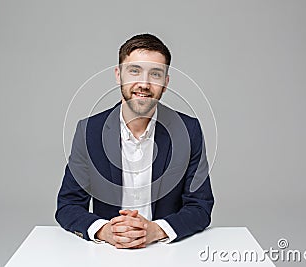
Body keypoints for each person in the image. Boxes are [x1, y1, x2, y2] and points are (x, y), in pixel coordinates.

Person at [56, 33, 214, 249]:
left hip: (167, 251)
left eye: (155, 74)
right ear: (118, 75)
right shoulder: (89, 131)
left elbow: (200, 206)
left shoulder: (188, 130)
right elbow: (68, 205)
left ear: (166, 83)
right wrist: (106, 231)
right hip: (106, 253)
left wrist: (156, 230)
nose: (144, 84)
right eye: (134, 71)